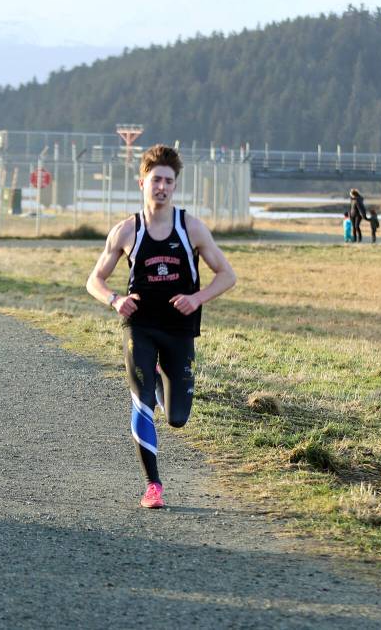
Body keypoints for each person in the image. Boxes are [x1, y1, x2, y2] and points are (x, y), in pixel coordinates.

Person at [86, 144, 237, 509]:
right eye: (156, 180)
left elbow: (227, 275)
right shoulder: (126, 231)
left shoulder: (192, 228)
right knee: (141, 401)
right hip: (139, 326)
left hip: (180, 330)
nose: (162, 187)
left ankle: (158, 378)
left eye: (169, 181)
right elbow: (94, 280)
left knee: (178, 418)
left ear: (175, 185)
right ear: (142, 182)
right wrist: (115, 300)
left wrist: (197, 298)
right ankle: (153, 485)